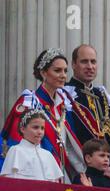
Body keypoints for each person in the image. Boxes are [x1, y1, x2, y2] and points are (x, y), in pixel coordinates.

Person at [1, 48, 84, 182]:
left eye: (65, 70)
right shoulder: (29, 101)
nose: (63, 75)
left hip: (61, 172)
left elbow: (69, 143)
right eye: (57, 70)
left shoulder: (63, 103)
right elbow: (16, 140)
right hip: (34, 172)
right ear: (44, 73)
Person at [64, 44, 110, 189]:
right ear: (74, 64)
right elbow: (68, 139)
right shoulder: (67, 94)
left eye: (93, 62)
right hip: (85, 171)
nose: (90, 66)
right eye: (84, 61)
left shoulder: (102, 95)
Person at [1, 109, 63, 182]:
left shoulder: (48, 155)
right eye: (35, 127)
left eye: (42, 128)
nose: (40, 132)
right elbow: (8, 183)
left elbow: (55, 185)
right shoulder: (16, 151)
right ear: (23, 129)